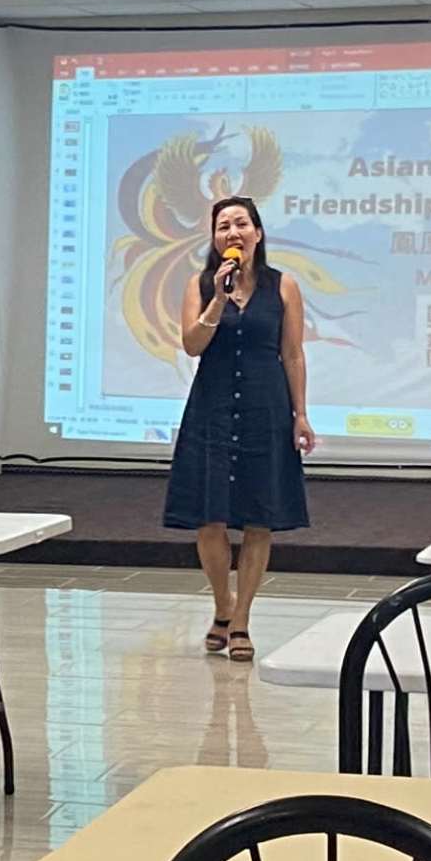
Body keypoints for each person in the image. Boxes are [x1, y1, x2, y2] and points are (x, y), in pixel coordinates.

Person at [163, 193, 313, 659]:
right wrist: (217, 302)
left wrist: (301, 413)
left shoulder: (283, 286)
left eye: (241, 223)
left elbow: (292, 354)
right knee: (209, 520)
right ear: (214, 238)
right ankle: (221, 605)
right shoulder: (201, 284)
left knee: (257, 519)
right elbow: (192, 345)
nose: (233, 232)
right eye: (223, 225)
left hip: (265, 409)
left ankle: (242, 620)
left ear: (258, 233)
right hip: (211, 408)